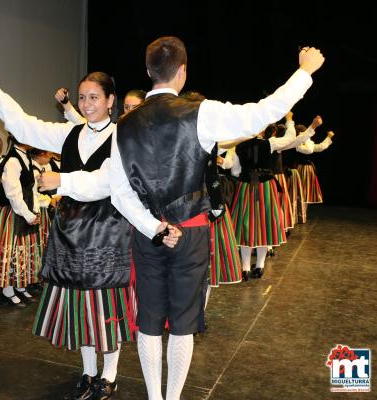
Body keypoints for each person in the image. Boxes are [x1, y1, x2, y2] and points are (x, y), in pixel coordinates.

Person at [109, 36, 324, 400]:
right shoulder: (201, 112)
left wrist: (154, 228)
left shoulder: (124, 125)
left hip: (147, 234)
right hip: (190, 232)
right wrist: (304, 72)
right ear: (182, 72)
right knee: (181, 323)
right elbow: (262, 112)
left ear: (148, 72)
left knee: (148, 320)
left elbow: (120, 192)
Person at [0, 69, 177, 400]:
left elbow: (106, 182)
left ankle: (109, 375)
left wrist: (62, 181)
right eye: (82, 97)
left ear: (111, 101)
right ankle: (88, 371)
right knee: (80, 308)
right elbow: (26, 125)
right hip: (70, 233)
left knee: (105, 306)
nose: (86, 104)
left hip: (106, 233)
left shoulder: (122, 138)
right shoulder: (70, 133)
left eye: (94, 97)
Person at [0, 137, 45, 306]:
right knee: (11, 251)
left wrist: (35, 209)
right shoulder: (12, 160)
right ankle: (7, 290)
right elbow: (13, 194)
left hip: (24, 209)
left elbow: (31, 188)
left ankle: (19, 285)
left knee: (22, 251)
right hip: (13, 212)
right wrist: (28, 214)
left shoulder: (25, 156)